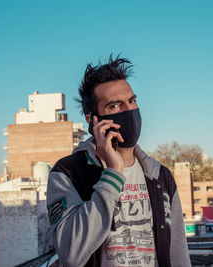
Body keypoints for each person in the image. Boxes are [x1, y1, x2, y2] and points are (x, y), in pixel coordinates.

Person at [47, 55, 190, 267]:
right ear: (92, 119)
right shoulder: (68, 174)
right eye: (115, 106)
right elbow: (71, 254)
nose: (129, 111)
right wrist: (113, 172)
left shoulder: (160, 176)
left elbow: (178, 254)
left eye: (132, 101)